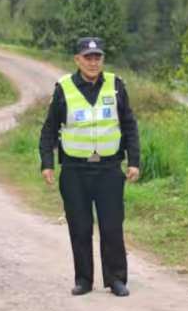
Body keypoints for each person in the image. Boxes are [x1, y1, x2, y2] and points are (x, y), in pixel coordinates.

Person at [38, 35, 141, 296]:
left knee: (111, 226)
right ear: (77, 60)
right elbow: (49, 129)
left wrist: (134, 161)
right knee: (80, 226)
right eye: (88, 57)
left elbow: (129, 125)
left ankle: (116, 279)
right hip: (75, 170)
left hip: (108, 168)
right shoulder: (64, 88)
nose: (93, 63)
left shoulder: (115, 86)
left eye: (97, 58)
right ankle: (84, 280)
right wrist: (47, 164)